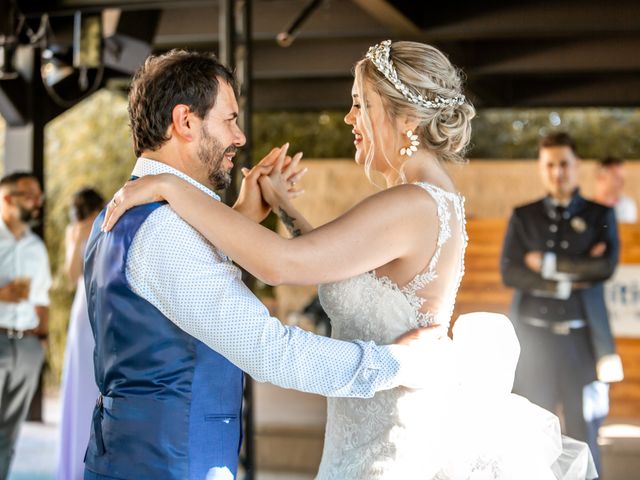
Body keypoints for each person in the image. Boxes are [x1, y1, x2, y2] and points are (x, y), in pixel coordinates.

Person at [103, 42, 596, 479]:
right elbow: (343, 267)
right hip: (367, 431)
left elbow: (281, 266)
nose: (348, 117)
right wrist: (287, 211)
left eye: (360, 104)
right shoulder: (426, 200)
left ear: (405, 118)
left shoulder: (410, 203)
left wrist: (169, 186)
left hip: (391, 441)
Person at [82, 49, 442, 480]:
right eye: (230, 119)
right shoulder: (164, 229)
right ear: (185, 122)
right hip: (169, 466)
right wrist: (397, 363)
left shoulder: (128, 213)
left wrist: (241, 218)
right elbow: (272, 351)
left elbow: (177, 296)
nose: (240, 138)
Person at [501, 131, 624, 475]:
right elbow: (510, 272)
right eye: (550, 165)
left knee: (585, 431)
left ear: (576, 165)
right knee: (532, 432)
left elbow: (605, 266)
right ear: (542, 168)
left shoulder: (601, 213)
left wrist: (547, 265)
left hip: (582, 343)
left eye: (564, 164)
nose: (558, 172)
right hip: (533, 342)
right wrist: (575, 275)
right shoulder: (523, 216)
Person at [0, 172, 51, 478]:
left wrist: (41, 343)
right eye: (31, 195)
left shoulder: (36, 247)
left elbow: (42, 301)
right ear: (7, 199)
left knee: (8, 435)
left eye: (39, 197)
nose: (37, 203)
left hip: (27, 348)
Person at [57, 188, 104, 480]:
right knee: (79, 382)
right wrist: (76, 240)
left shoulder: (109, 223)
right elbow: (71, 274)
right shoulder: (73, 232)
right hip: (82, 310)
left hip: (105, 306)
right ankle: (75, 463)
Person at [594, 156, 637, 223]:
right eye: (616, 178)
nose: (622, 182)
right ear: (601, 177)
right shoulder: (587, 208)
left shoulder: (627, 206)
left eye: (622, 178)